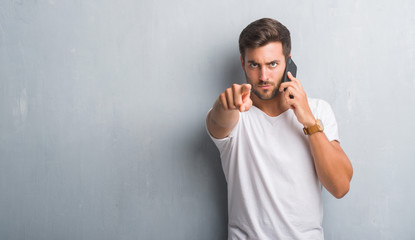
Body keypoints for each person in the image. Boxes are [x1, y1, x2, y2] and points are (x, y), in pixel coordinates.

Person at [205, 18, 353, 240]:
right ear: (243, 63)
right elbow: (218, 121)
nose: (263, 77)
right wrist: (224, 105)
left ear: (288, 63)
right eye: (254, 65)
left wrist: (309, 121)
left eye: (272, 64)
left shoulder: (318, 110)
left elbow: (340, 187)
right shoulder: (235, 114)